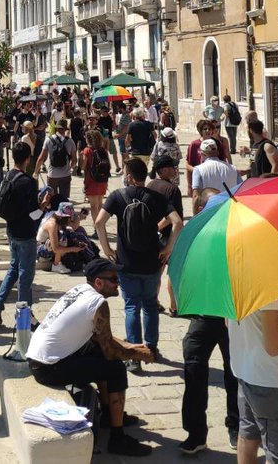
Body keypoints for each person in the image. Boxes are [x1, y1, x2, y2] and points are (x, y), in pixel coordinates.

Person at [26, 258, 154, 457]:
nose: (117, 282)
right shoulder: (98, 303)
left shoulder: (80, 290)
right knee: (115, 367)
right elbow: (110, 350)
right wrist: (137, 354)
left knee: (98, 353)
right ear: (98, 283)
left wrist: (129, 345)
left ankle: (109, 415)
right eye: (113, 279)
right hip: (48, 368)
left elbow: (102, 338)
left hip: (39, 359)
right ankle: (117, 439)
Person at [96, 158, 182, 367]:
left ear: (129, 176)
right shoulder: (157, 198)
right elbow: (178, 222)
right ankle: (151, 348)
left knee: (131, 306)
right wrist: (168, 248)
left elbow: (99, 222)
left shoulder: (118, 196)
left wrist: (107, 248)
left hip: (126, 262)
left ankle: (134, 353)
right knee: (150, 306)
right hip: (152, 261)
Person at [180, 195, 240, 454]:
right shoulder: (196, 235)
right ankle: (196, 433)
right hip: (203, 315)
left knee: (234, 374)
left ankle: (236, 426)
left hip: (233, 317)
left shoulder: (240, 237)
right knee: (193, 369)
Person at [227, 292, 278, 464]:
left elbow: (228, 323)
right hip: (270, 379)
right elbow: (274, 346)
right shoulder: (268, 287)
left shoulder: (233, 280)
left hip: (244, 372)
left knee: (247, 438)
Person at [0, 143, 42, 326]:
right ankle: (24, 319)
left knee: (13, 270)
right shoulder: (28, 182)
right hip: (26, 233)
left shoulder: (7, 176)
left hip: (11, 230)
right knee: (26, 276)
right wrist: (44, 205)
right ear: (28, 159)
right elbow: (34, 213)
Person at [147, 155, 185, 316]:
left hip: (153, 236)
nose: (175, 169)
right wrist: (160, 226)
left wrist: (153, 228)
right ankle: (174, 306)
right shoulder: (172, 190)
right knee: (174, 271)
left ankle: (153, 301)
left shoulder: (150, 185)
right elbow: (174, 218)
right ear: (163, 170)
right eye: (172, 167)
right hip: (170, 236)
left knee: (157, 271)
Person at [191, 139, 239, 212]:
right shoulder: (233, 169)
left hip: (210, 211)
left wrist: (195, 218)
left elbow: (196, 197)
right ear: (217, 152)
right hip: (229, 210)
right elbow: (240, 191)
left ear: (202, 154)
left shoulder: (198, 170)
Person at [35, 119, 76, 199]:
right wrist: (70, 168)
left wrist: (36, 171)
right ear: (65, 129)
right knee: (64, 199)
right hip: (65, 175)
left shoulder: (48, 140)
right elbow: (74, 160)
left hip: (52, 174)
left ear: (57, 128)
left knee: (51, 199)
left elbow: (41, 158)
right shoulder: (70, 141)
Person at [82, 128, 111, 221]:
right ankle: (100, 225)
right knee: (99, 205)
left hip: (91, 180)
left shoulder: (87, 150)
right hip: (102, 180)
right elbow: (109, 166)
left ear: (88, 139)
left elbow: (82, 167)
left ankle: (97, 228)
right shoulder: (103, 150)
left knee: (94, 207)